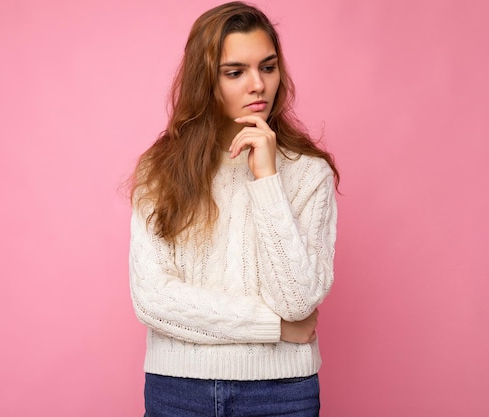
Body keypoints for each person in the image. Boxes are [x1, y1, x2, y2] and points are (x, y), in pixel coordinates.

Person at [128, 2, 339, 416]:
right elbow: (152, 299)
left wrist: (267, 180)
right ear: (205, 80)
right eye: (235, 72)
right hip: (178, 392)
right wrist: (273, 328)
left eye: (268, 66)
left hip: (283, 394)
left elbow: (297, 301)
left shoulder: (309, 173)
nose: (257, 85)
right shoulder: (161, 169)